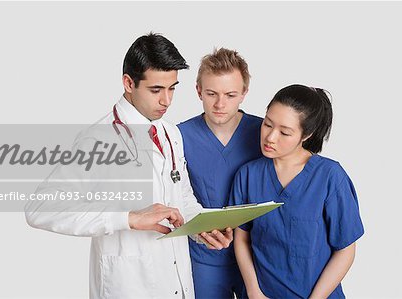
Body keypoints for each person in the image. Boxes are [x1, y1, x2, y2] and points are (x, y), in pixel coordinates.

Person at [25, 33, 233, 299]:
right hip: (129, 286)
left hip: (177, 281)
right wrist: (129, 218)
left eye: (172, 88)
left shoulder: (170, 133)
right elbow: (41, 208)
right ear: (128, 83)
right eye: (156, 90)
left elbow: (180, 199)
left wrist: (202, 228)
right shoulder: (98, 139)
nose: (166, 101)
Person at [231, 84, 364, 298]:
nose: (271, 137)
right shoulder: (248, 175)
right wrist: (254, 292)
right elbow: (242, 238)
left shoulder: (330, 177)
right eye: (267, 124)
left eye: (285, 132)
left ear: (306, 134)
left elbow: (345, 250)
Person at [178, 48, 263, 298]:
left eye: (230, 94)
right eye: (211, 93)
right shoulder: (179, 136)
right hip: (204, 259)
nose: (220, 104)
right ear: (198, 91)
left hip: (256, 257)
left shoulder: (265, 134)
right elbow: (172, 195)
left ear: (244, 93)